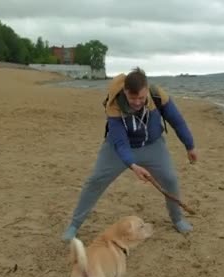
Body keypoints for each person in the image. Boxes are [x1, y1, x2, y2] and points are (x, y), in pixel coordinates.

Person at [62, 67, 197, 241]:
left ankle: (177, 219)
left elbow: (177, 121)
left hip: (152, 145)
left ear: (146, 90)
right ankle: (74, 224)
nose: (137, 102)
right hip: (118, 148)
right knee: (95, 180)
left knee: (170, 179)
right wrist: (133, 165)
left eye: (141, 98)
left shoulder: (157, 95)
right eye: (132, 98)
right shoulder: (114, 103)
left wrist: (190, 146)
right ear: (125, 91)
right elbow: (120, 141)